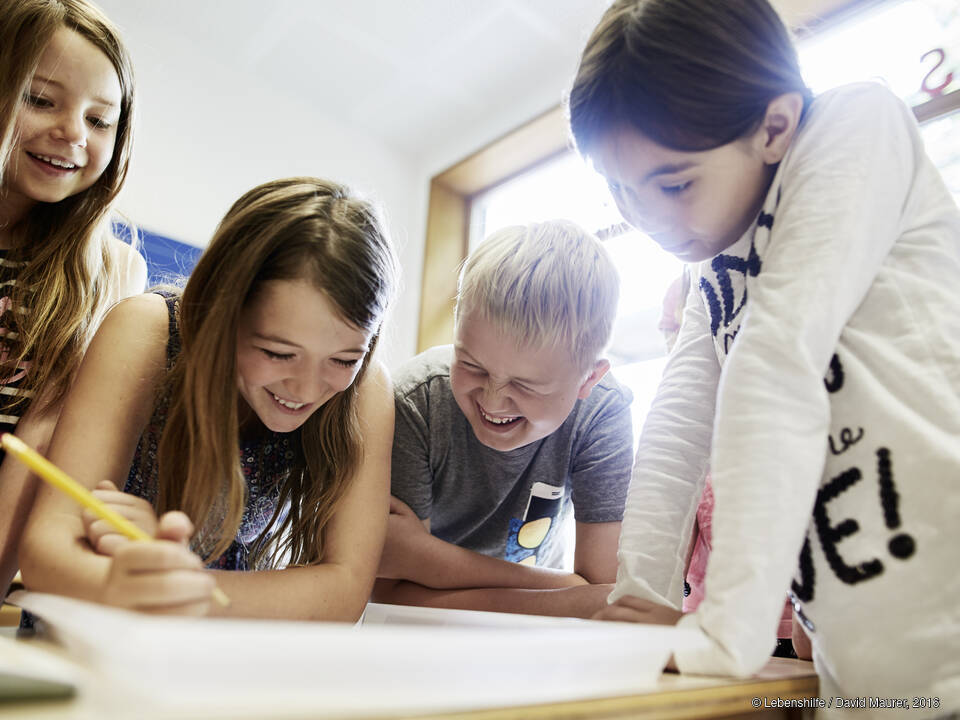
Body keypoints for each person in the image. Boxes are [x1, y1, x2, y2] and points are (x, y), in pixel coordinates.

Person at [568, 0, 960, 712]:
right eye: (621, 192)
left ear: (774, 127)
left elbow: (777, 360)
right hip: (859, 651)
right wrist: (640, 600)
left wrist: (726, 636)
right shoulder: (716, 260)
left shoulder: (854, 124)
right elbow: (677, 427)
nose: (650, 218)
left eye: (674, 183)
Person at [19, 177, 398, 620]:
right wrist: (120, 586)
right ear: (222, 311)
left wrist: (185, 587)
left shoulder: (364, 389)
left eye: (342, 359)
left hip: (212, 652)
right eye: (278, 353)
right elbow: (46, 551)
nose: (306, 389)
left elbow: (344, 592)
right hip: (89, 634)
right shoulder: (149, 333)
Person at [373, 220, 634, 618]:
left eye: (527, 385)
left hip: (529, 637)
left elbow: (604, 593)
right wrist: (563, 591)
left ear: (589, 378)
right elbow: (387, 590)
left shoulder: (602, 412)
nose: (492, 400)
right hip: (418, 634)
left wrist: (423, 559)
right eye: (472, 365)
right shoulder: (414, 402)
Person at [0, 0, 147, 597]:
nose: (72, 133)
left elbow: (43, 437)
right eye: (41, 99)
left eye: (100, 119)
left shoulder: (112, 271)